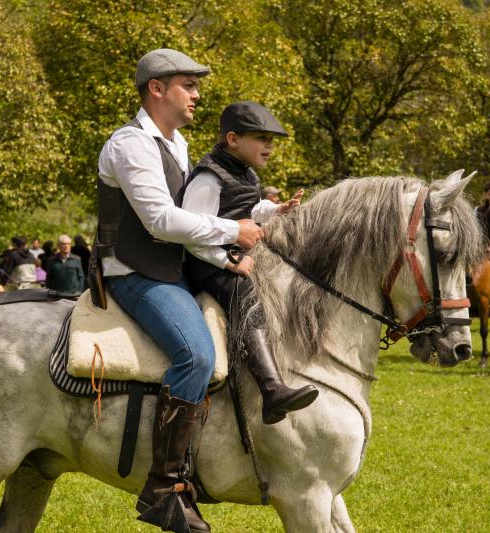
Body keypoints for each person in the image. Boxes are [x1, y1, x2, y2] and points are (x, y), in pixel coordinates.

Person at [94, 48, 263, 533]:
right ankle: (164, 489)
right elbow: (161, 221)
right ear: (157, 89)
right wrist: (234, 234)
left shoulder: (180, 144)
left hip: (173, 271)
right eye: (188, 85)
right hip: (133, 273)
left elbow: (194, 214)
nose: (196, 94)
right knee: (196, 356)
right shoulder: (129, 145)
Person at [183, 101, 318, 426]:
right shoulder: (209, 178)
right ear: (232, 139)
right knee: (246, 294)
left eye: (271, 140)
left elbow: (248, 208)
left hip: (230, 256)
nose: (269, 146)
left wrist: (276, 211)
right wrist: (229, 262)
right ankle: (271, 391)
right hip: (205, 262)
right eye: (261, 138)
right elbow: (190, 233)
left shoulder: (245, 173)